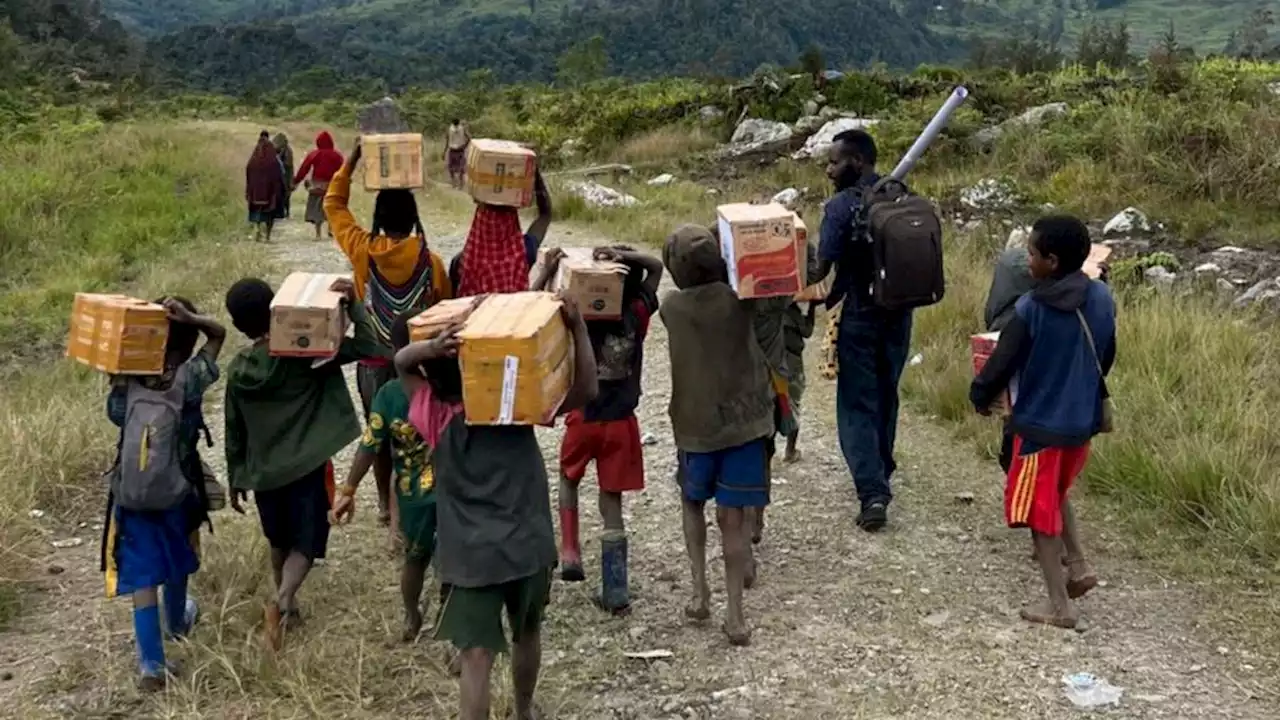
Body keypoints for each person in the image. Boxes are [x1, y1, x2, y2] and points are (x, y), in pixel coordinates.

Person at [397, 297, 598, 720]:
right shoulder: (517, 406)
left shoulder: (434, 416)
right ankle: (524, 710)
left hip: (470, 557)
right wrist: (577, 329)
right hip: (526, 544)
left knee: (475, 659)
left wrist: (431, 348)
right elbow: (587, 390)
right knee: (527, 634)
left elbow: (401, 362)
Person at [223, 276, 384, 649]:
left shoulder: (238, 369)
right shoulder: (306, 353)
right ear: (276, 308)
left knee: (278, 540)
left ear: (237, 325)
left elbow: (233, 428)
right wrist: (355, 304)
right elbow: (372, 345)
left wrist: (236, 477)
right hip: (305, 467)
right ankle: (281, 601)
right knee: (305, 545)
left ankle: (290, 606)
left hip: (264, 473)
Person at [970, 215, 1114, 630]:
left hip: (1037, 428)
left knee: (1038, 511)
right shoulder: (1102, 297)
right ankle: (1081, 566)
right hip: (1081, 424)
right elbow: (1107, 353)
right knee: (1056, 491)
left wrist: (980, 397)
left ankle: (1060, 606)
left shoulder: (1031, 308)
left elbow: (1001, 364)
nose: (1026, 260)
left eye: (1031, 254)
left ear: (1051, 261)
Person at [325, 139, 452, 536]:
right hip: (419, 363)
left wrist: (353, 160)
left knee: (378, 432)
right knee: (422, 432)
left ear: (378, 220)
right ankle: (420, 502)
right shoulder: (430, 261)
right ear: (414, 221)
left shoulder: (364, 250)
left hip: (374, 363)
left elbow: (333, 205)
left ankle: (383, 504)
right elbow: (444, 307)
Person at [101, 297, 226, 691]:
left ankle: (152, 665)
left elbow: (116, 416)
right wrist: (194, 319)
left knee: (141, 575)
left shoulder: (129, 380)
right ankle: (177, 621)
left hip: (131, 495)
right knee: (179, 556)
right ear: (188, 342)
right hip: (178, 490)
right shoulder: (190, 378)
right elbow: (219, 334)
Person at [661, 225, 775, 647]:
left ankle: (698, 591)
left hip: (695, 431)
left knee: (692, 504)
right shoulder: (739, 300)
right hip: (745, 427)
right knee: (735, 520)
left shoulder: (671, 308)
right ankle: (736, 615)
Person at [534, 245, 663, 615]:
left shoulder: (577, 319)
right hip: (621, 422)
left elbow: (537, 304)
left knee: (568, 479)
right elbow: (655, 267)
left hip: (582, 417)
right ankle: (616, 588)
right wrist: (626, 256)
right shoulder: (636, 314)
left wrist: (550, 269)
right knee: (612, 502)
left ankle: (571, 551)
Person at [814, 129, 910, 532]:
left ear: (856, 162)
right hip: (901, 312)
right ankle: (881, 467)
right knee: (887, 391)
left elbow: (822, 268)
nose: (829, 169)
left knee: (857, 401)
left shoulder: (841, 205)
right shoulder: (900, 193)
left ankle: (872, 493)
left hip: (860, 315)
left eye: (834, 162)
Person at [333, 312, 440, 643]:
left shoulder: (390, 394)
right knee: (452, 563)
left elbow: (370, 445)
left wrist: (348, 488)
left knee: (415, 559)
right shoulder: (450, 388)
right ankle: (450, 632)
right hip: (454, 490)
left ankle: (411, 616)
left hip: (412, 496)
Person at [453, 171, 553, 297]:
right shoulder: (523, 253)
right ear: (513, 220)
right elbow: (545, 215)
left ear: (478, 219)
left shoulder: (461, 262)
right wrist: (534, 172)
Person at [782, 300, 818, 463]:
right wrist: (812, 308)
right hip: (791, 361)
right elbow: (807, 330)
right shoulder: (793, 310)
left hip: (768, 360)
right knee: (793, 405)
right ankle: (790, 450)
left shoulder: (763, 305)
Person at [295, 131, 345, 240]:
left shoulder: (315, 154)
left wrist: (296, 180)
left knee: (317, 209)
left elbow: (304, 168)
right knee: (331, 207)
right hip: (332, 186)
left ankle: (318, 234)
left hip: (317, 185)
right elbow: (343, 170)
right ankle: (331, 229)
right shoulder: (337, 155)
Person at [246, 130, 286, 242]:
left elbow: (248, 173)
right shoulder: (273, 160)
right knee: (269, 216)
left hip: (255, 193)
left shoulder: (253, 160)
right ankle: (267, 236)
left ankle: (257, 229)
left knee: (256, 213)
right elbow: (280, 174)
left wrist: (249, 190)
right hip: (270, 194)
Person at [444, 118, 471, 189]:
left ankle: (460, 184)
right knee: (451, 167)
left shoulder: (461, 129)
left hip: (459, 150)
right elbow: (447, 140)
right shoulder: (450, 129)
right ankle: (454, 183)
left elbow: (469, 138)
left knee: (461, 168)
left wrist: (464, 146)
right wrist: (444, 151)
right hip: (453, 150)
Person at [273, 133, 295, 219]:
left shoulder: (288, 150)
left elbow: (288, 164)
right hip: (278, 174)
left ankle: (287, 211)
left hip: (286, 174)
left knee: (286, 194)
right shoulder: (276, 150)